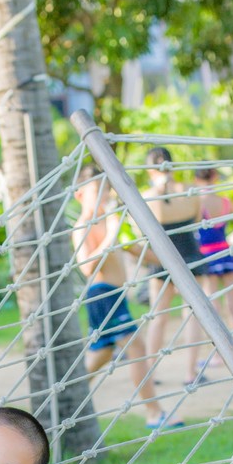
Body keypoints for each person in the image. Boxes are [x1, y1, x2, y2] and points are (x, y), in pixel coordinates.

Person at [72, 167, 182, 429]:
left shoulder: (109, 222)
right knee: (136, 348)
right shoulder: (82, 227)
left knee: (99, 356)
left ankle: (64, 400)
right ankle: (154, 413)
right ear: (79, 195)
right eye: (97, 191)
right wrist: (110, 234)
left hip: (115, 295)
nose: (104, 195)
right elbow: (86, 266)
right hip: (101, 296)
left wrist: (174, 263)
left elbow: (131, 249)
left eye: (107, 190)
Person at [144, 147, 206, 388]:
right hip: (190, 256)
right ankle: (191, 373)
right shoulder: (191, 193)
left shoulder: (147, 197)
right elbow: (197, 218)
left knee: (158, 318)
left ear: (150, 169)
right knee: (191, 316)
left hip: (162, 259)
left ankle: (150, 374)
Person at [194, 166, 233, 365]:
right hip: (227, 253)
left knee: (213, 306)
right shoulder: (225, 202)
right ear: (215, 176)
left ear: (196, 179)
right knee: (232, 304)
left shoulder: (198, 203)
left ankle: (219, 354)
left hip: (207, 257)